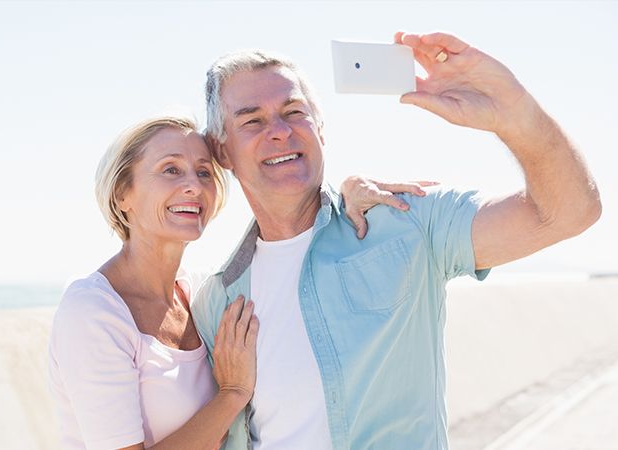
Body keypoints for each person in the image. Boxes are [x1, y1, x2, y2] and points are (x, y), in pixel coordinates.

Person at [191, 31, 602, 450]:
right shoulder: (216, 300)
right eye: (252, 120)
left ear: (320, 126)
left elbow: (569, 212)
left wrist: (514, 112)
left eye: (294, 111)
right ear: (222, 151)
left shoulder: (408, 222)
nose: (279, 131)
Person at [47, 116, 423, 449]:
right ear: (122, 194)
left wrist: (349, 193)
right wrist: (231, 395)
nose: (194, 186)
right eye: (171, 170)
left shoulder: (201, 296)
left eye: (204, 172)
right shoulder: (93, 311)